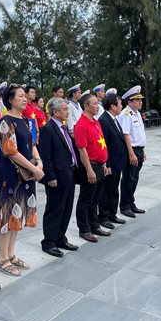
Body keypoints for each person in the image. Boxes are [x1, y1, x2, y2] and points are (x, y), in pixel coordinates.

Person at [0, 84, 44, 277]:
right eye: (21, 96)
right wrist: (34, 169)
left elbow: (31, 144)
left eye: (25, 96)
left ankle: (11, 254)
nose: (25, 99)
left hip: (26, 174)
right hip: (11, 176)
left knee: (18, 213)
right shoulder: (5, 121)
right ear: (10, 100)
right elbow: (10, 151)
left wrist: (38, 161)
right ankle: (2, 259)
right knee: (7, 215)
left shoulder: (23, 119)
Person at [38, 97, 79, 257]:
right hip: (57, 177)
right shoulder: (48, 129)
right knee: (55, 209)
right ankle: (49, 241)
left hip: (68, 174)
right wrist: (50, 176)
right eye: (65, 109)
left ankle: (60, 237)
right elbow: (45, 156)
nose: (68, 112)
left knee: (66, 208)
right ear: (55, 112)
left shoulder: (62, 127)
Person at [74, 93, 110, 243]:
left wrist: (105, 164)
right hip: (90, 166)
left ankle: (94, 225)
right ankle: (84, 229)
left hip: (100, 166)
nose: (97, 106)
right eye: (94, 103)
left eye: (97, 103)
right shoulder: (81, 125)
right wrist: (89, 170)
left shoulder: (95, 122)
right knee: (86, 199)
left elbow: (101, 143)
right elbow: (82, 150)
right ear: (86, 106)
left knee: (96, 198)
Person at [97, 93, 127, 228]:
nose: (121, 106)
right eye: (119, 104)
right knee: (106, 191)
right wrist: (107, 163)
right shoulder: (104, 120)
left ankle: (112, 214)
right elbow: (105, 144)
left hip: (117, 162)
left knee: (114, 189)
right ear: (113, 106)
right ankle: (103, 217)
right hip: (111, 163)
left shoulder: (114, 119)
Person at [118, 85, 148, 218]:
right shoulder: (126, 114)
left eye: (141, 100)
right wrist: (131, 154)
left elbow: (139, 134)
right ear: (129, 102)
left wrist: (143, 151)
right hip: (132, 150)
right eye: (137, 100)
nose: (140, 102)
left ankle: (131, 202)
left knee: (134, 178)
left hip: (139, 150)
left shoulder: (136, 114)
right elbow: (125, 135)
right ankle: (125, 206)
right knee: (128, 179)